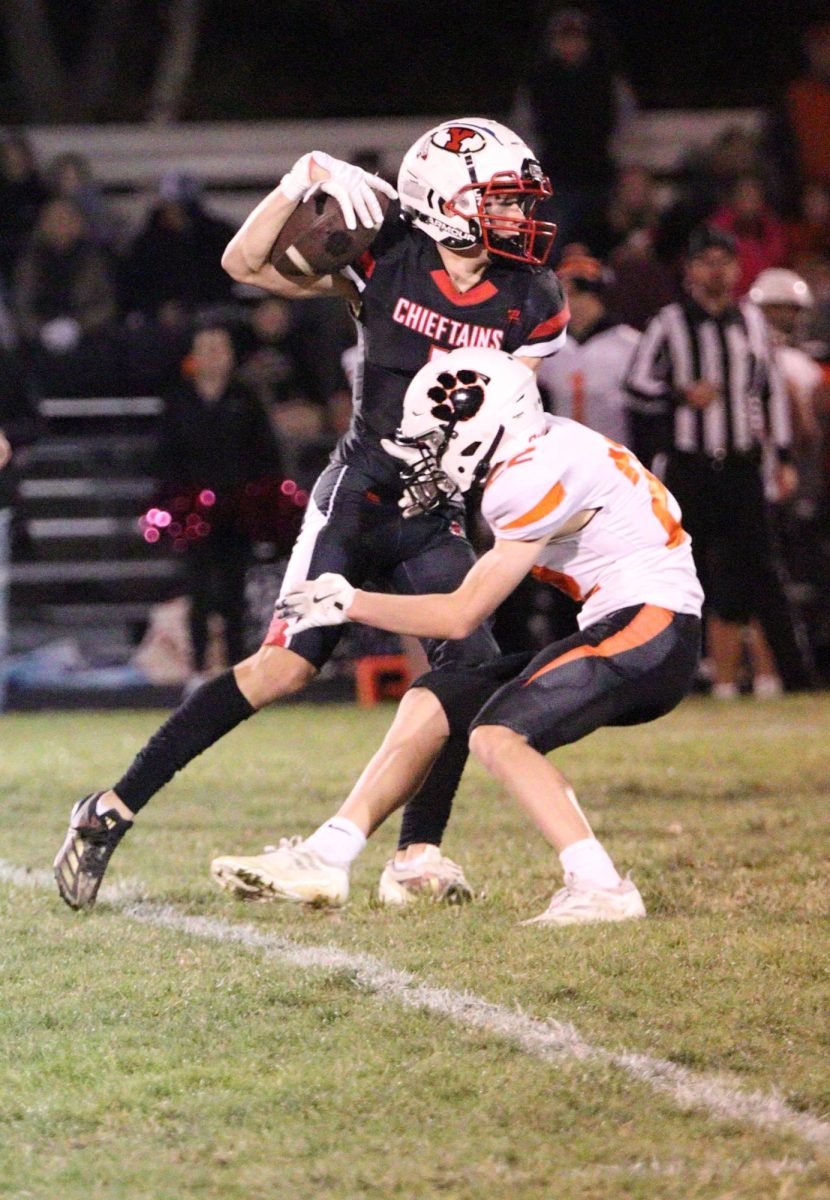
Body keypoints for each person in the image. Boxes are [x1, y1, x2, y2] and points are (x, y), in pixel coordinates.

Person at [53, 118, 570, 912]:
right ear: (447, 202)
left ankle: (418, 853)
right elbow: (243, 264)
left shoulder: (532, 294)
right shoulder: (386, 249)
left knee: (467, 670)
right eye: (498, 201)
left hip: (438, 509)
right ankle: (109, 810)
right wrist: (301, 180)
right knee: (284, 668)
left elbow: (512, 417)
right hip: (359, 496)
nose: (515, 219)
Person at [210, 347, 702, 925]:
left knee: (497, 735)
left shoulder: (525, 478)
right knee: (439, 692)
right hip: (631, 623)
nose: (434, 451)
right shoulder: (541, 446)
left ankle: (600, 886)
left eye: (441, 436)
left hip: (652, 627)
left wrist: (349, 602)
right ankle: (328, 853)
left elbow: (459, 615)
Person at [624, 225, 810, 698]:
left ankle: (793, 676)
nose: (717, 271)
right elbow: (638, 384)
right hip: (690, 464)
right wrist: (680, 394)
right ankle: (672, 679)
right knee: (682, 571)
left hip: (743, 465)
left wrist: (783, 457)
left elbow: (768, 396)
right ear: (689, 270)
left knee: (762, 569)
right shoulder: (669, 322)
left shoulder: (751, 321)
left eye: (724, 262)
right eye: (707, 261)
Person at [154, 322, 284, 689]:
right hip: (191, 511)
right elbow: (165, 456)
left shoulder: (246, 397)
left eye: (219, 348)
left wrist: (262, 503)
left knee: (233, 590)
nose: (212, 356)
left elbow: (266, 454)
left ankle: (236, 671)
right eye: (205, 348)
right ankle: (196, 670)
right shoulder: (178, 399)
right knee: (197, 590)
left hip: (237, 509)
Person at [536, 251, 639, 444]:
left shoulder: (630, 343)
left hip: (615, 453)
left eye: (578, 293)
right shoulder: (545, 343)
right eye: (563, 294)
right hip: (560, 452)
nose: (570, 302)